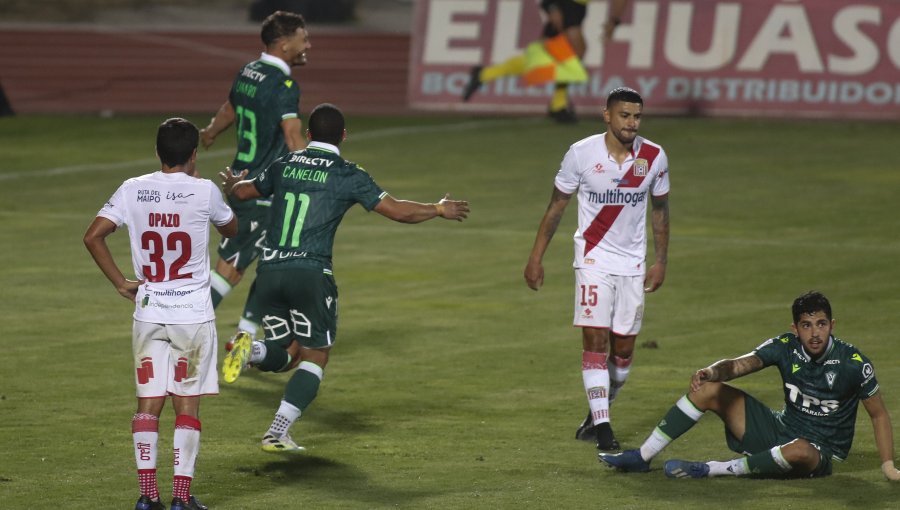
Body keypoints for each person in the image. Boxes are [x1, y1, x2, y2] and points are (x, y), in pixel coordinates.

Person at [218, 103, 470, 452]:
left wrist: (233, 184)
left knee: (287, 353)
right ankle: (277, 431)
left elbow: (244, 191)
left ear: (308, 135)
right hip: (309, 274)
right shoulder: (346, 173)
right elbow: (396, 210)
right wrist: (439, 209)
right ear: (344, 136)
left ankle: (251, 352)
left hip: (270, 273)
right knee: (316, 355)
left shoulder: (284, 163)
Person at [83, 118, 238, 510]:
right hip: (191, 316)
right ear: (193, 154)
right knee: (187, 405)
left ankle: (147, 496)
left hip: (148, 313)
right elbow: (233, 230)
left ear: (157, 153)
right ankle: (181, 499)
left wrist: (121, 282)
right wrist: (213, 185)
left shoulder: (133, 188)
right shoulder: (204, 191)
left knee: (147, 404)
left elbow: (93, 235)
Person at [599, 291, 900, 481]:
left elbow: (879, 415)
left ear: (832, 325)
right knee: (707, 390)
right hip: (778, 429)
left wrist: (887, 466)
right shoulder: (785, 346)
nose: (815, 333)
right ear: (795, 329)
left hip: (819, 451)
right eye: (806, 325)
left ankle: (713, 468)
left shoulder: (853, 362)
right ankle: (642, 457)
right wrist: (712, 371)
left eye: (821, 324)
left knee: (799, 450)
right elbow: (741, 364)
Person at [524, 86, 670, 451]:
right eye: (624, 115)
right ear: (607, 115)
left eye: (636, 116)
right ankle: (604, 429)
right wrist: (535, 257)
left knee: (622, 353)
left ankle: (597, 411)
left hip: (632, 264)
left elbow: (660, 210)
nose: (631, 123)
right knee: (594, 339)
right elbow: (557, 206)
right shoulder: (581, 153)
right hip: (592, 259)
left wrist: (660, 261)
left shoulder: (653, 156)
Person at [199, 10, 311, 350]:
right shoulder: (284, 85)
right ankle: (188, 329)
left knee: (250, 266)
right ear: (283, 43)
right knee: (242, 269)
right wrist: (317, 173)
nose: (308, 44)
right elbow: (293, 138)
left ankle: (242, 336)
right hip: (263, 190)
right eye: (302, 39)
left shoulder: (248, 71)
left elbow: (229, 109)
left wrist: (210, 132)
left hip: (239, 181)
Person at [462, 0, 630, 123]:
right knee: (574, 52)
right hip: (564, 4)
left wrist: (613, 21)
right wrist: (551, 5)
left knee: (550, 57)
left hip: (577, 7)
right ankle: (558, 105)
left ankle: (484, 74)